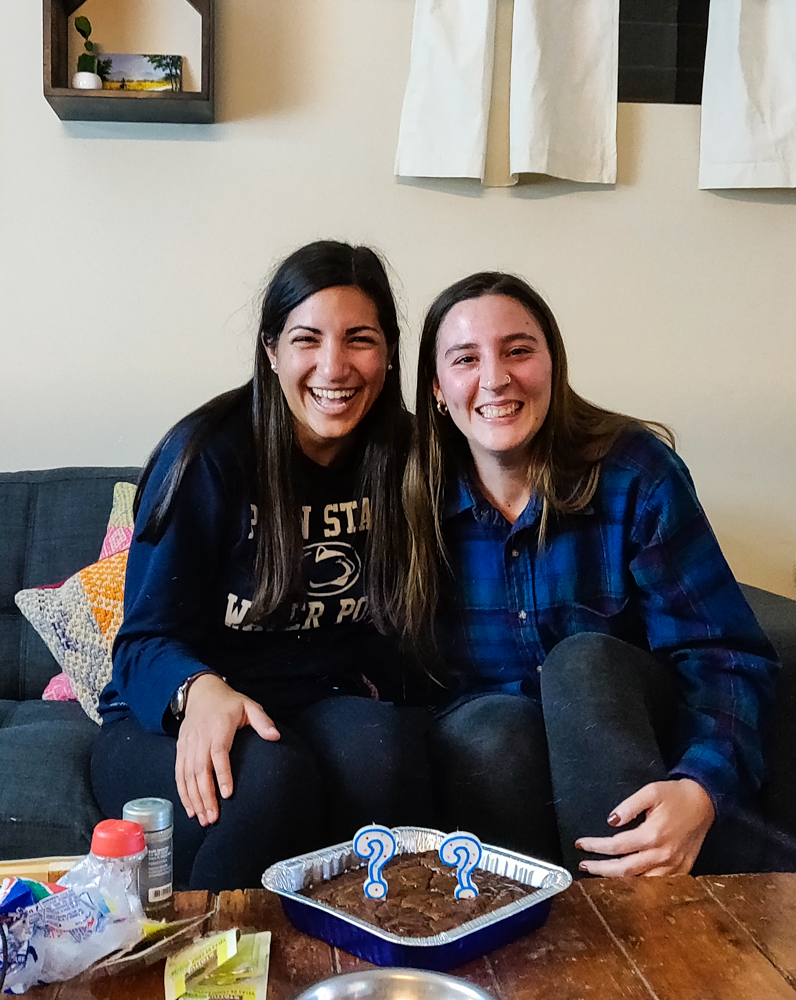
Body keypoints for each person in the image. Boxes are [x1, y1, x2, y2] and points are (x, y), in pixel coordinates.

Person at [401, 271, 780, 877]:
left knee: (581, 665)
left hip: (635, 752)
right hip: (492, 779)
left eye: (519, 351)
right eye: (466, 358)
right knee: (495, 726)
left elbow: (725, 655)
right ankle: (559, 948)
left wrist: (703, 787)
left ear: (553, 365)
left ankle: (639, 933)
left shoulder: (635, 473)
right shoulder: (407, 498)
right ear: (438, 389)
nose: (495, 378)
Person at [92, 241, 432, 892]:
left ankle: (368, 967)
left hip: (313, 699)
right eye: (307, 339)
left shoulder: (408, 458)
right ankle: (208, 981)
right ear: (272, 351)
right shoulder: (207, 456)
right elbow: (140, 644)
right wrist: (202, 691)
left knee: (386, 753)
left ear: (388, 353)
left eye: (359, 339)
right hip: (164, 718)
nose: (334, 367)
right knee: (273, 779)